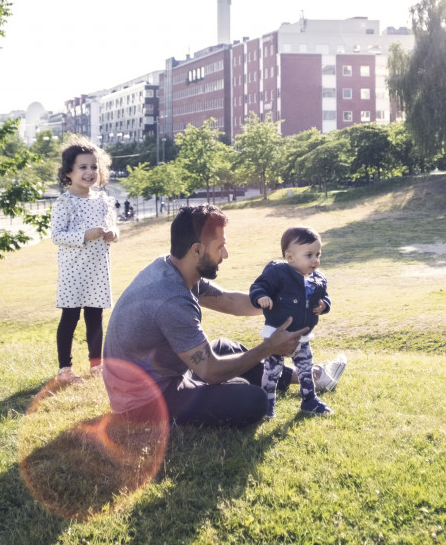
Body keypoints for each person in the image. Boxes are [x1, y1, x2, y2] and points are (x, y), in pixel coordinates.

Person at [102, 206, 311, 427]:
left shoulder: (174, 266)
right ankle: (174, 417)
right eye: (220, 247)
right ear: (197, 250)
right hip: (144, 401)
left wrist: (285, 305)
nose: (225, 254)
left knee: (227, 348)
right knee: (253, 400)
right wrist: (269, 347)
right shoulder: (171, 298)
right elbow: (210, 371)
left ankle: (307, 376)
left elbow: (228, 300)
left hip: (162, 375)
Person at [250, 226, 346, 417]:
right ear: (290, 257)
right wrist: (261, 297)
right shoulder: (278, 272)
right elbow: (259, 286)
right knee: (271, 372)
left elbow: (324, 296)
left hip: (302, 336)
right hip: (277, 335)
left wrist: (324, 305)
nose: (315, 260)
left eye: (318, 254)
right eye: (309, 255)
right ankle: (267, 405)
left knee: (305, 370)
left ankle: (309, 400)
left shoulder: (318, 278)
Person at [50, 140, 119, 385]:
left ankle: (96, 365)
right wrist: (84, 235)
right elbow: (56, 235)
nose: (90, 172)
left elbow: (114, 229)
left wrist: (112, 234)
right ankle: (64, 370)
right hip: (73, 272)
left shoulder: (103, 201)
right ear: (69, 172)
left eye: (93, 167)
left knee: (95, 318)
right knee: (69, 318)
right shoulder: (64, 203)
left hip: (98, 270)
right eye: (82, 167)